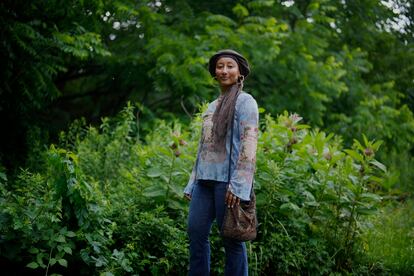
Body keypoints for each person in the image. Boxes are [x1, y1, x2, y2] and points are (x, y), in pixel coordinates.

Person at [183, 49, 259, 276]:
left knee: (231, 241)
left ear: (240, 72)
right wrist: (191, 182)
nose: (224, 70)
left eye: (230, 66)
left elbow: (250, 145)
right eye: (219, 67)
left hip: (227, 185)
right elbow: (202, 149)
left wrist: (239, 185)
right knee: (195, 233)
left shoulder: (245, 102)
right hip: (204, 183)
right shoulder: (211, 107)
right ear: (214, 73)